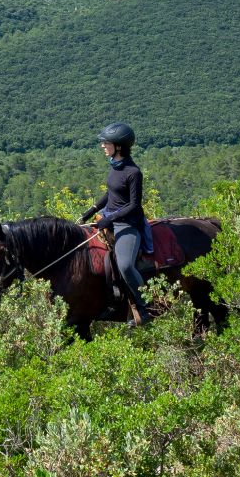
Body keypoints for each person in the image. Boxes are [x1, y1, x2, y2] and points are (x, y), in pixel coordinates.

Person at [79, 122, 150, 326]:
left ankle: (144, 308)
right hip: (109, 219)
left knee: (126, 265)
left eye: (106, 143)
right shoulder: (114, 166)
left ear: (118, 146)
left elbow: (134, 206)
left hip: (127, 223)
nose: (102, 146)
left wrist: (110, 218)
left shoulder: (132, 172)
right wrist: (90, 212)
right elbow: (111, 194)